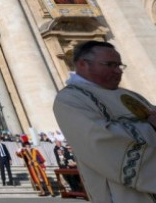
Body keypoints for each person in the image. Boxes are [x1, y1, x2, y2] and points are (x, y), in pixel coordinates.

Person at [53, 40, 156, 202]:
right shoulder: (70, 99)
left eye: (119, 65)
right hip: (123, 193)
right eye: (110, 65)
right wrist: (150, 126)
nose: (117, 71)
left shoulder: (130, 95)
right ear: (82, 64)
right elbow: (99, 139)